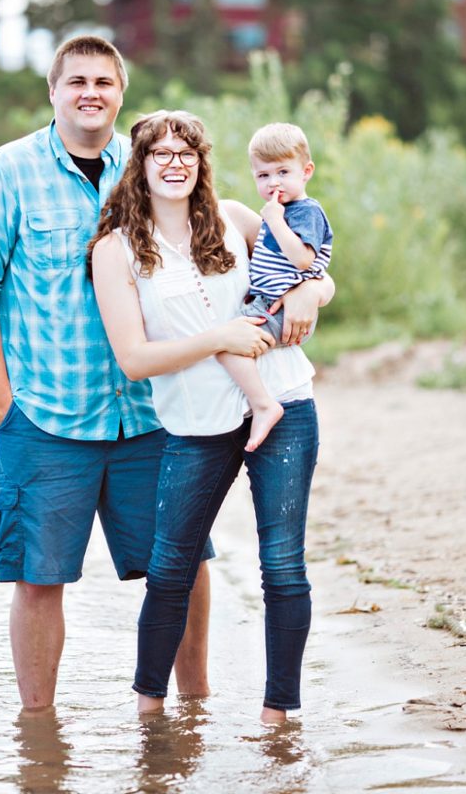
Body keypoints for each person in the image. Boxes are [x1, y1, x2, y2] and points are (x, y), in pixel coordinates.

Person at [0, 35, 267, 711]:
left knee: (183, 563)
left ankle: (193, 711)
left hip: (152, 411)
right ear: (53, 91)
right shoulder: (7, 172)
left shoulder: (150, 159)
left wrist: (303, 288)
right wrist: (2, 402)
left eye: (103, 81)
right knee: (38, 578)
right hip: (46, 414)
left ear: (120, 92)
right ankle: (39, 741)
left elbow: (230, 225)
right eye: (76, 82)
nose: (90, 92)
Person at [90, 110, 334, 724]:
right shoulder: (115, 250)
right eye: (160, 153)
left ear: (200, 162)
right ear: (139, 165)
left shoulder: (234, 218)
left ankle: (279, 720)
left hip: (284, 403)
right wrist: (217, 337)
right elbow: (134, 360)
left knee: (281, 564)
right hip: (195, 424)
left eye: (186, 153)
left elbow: (315, 273)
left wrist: (309, 294)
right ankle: (150, 716)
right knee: (170, 567)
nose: (175, 163)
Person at [217, 121, 333, 453]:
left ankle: (263, 404)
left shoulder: (305, 212)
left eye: (283, 172)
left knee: (228, 346)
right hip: (268, 302)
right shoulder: (283, 212)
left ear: (306, 171)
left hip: (282, 310)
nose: (273, 183)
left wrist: (275, 220)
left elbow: (303, 260)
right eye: (263, 176)